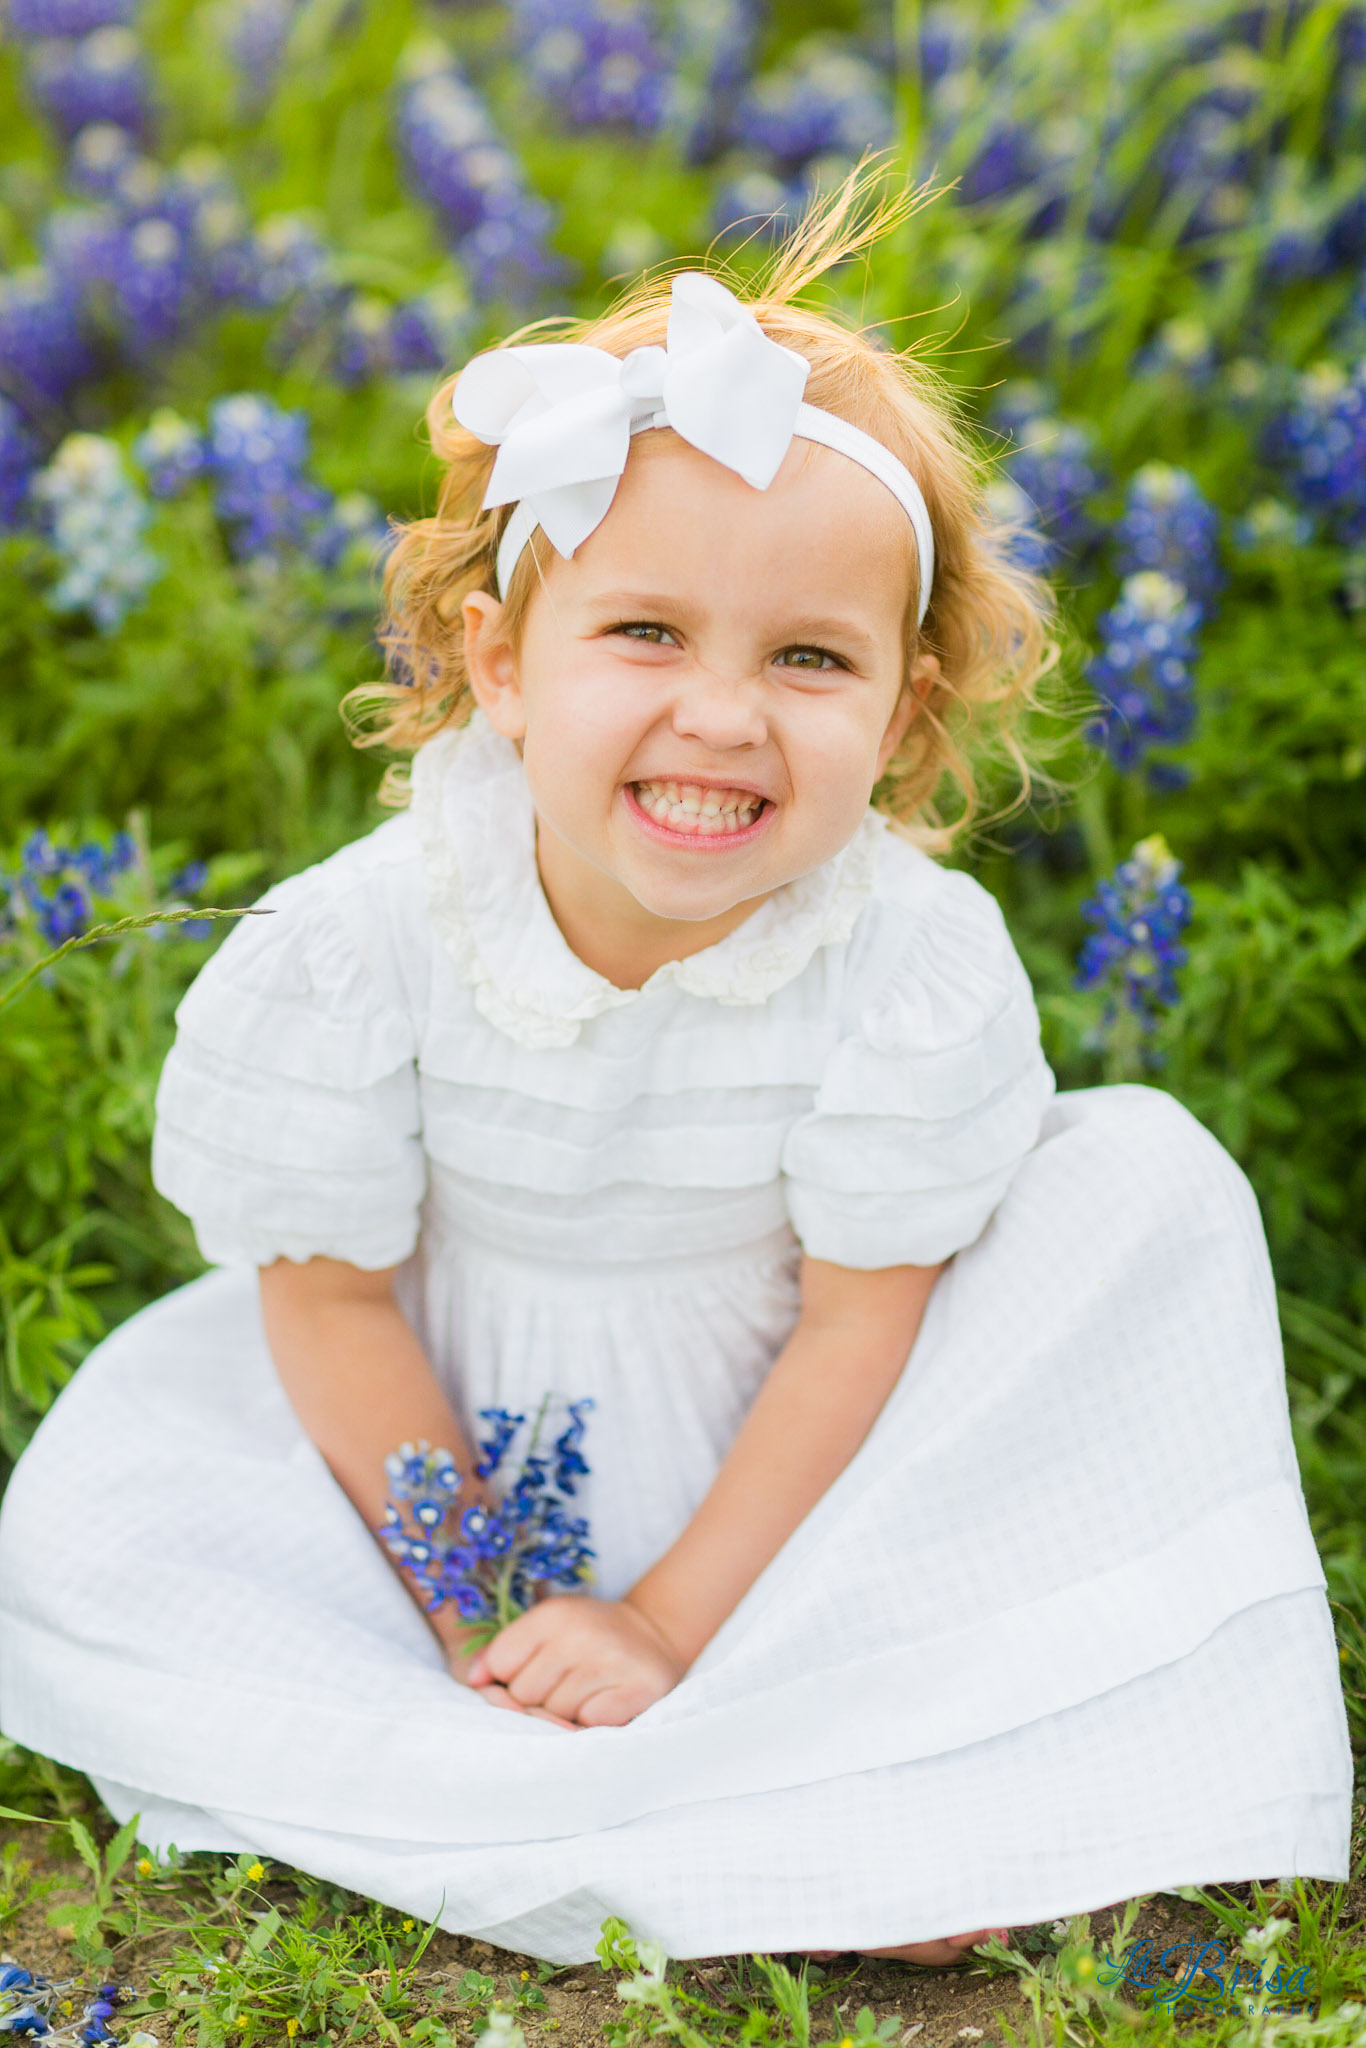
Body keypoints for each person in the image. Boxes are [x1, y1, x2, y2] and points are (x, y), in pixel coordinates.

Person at [0, 182, 1351, 1969]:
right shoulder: (363, 942)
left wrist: (662, 1620)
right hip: (434, 1438)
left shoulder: (903, 962)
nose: (722, 713)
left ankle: (837, 1770)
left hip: (811, 1472)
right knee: (127, 1534)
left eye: (807, 658)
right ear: (498, 664)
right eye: (644, 634)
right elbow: (324, 1302)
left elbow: (864, 1327)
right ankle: (685, 1786)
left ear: (903, 718)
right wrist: (492, 1608)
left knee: (1148, 1179)